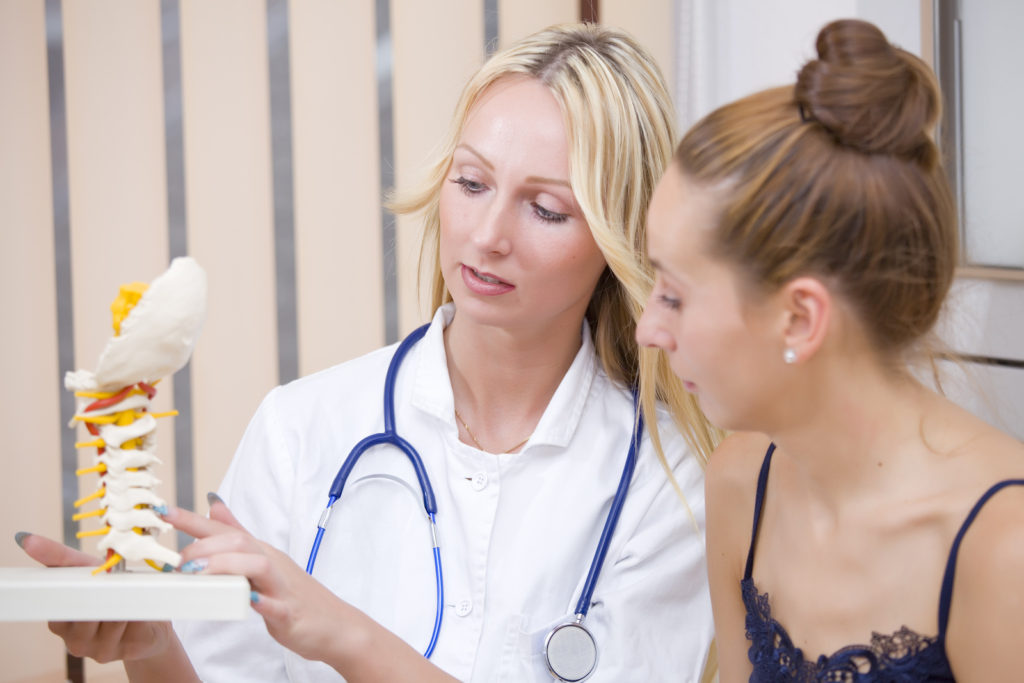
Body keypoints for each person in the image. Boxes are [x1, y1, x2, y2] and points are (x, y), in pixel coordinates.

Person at [21, 23, 720, 682]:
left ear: (618, 234)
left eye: (546, 210)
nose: (486, 235)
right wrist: (152, 647)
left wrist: (342, 632)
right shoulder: (300, 429)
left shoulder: (666, 479)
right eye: (472, 183)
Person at [636, 17, 1024, 682]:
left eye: (674, 295)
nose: (649, 328)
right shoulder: (738, 485)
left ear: (800, 317)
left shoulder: (1002, 547)